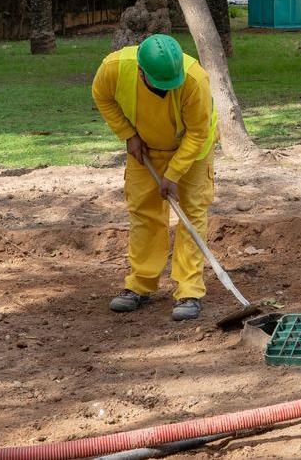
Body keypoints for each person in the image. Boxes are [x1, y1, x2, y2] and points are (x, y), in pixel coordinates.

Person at [92, 34, 218, 321]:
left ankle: (189, 291)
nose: (166, 92)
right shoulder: (114, 68)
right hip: (145, 148)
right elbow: (102, 97)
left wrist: (173, 174)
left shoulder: (193, 79)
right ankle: (141, 284)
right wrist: (128, 134)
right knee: (144, 211)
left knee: (191, 214)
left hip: (192, 150)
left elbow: (198, 132)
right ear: (140, 71)